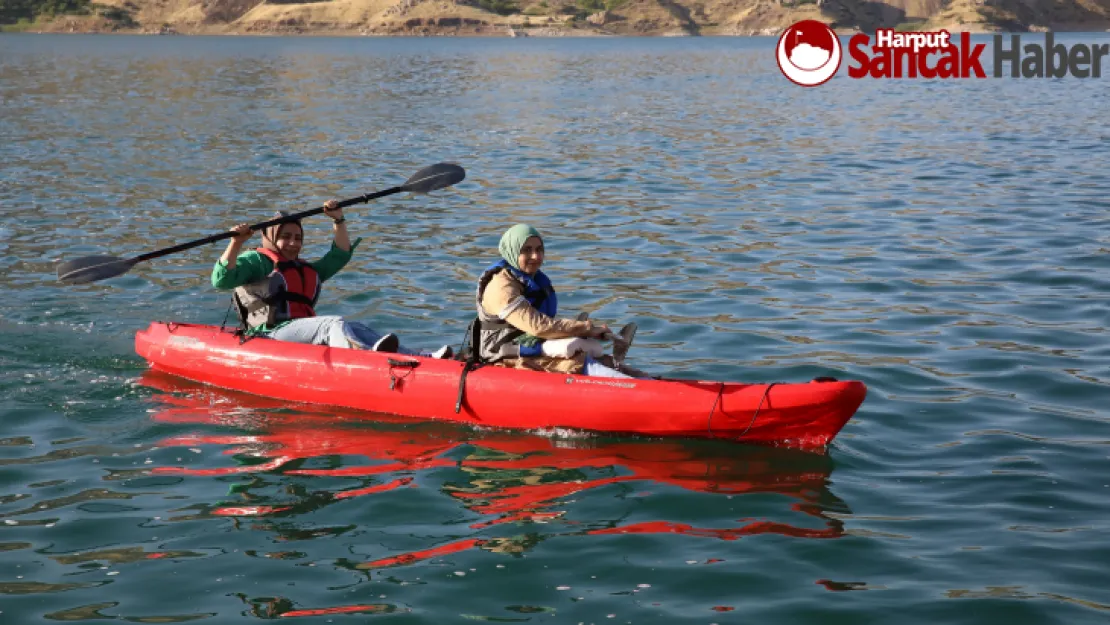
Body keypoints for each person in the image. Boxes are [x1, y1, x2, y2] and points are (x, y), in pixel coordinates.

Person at [211, 200, 452, 358]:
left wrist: (338, 220)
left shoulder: (306, 270)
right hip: (268, 336)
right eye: (286, 237)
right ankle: (366, 361)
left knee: (356, 327)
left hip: (300, 335)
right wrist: (236, 242)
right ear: (271, 237)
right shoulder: (256, 261)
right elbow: (220, 279)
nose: (294, 243)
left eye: (298, 237)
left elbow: (340, 255)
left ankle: (423, 357)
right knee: (333, 324)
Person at [474, 223, 643, 378]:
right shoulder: (501, 287)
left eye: (539, 249)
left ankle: (649, 382)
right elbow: (537, 326)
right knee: (577, 363)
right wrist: (585, 329)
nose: (535, 256)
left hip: (532, 346)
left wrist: (584, 332)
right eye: (526, 250)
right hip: (501, 354)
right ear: (512, 251)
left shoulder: (534, 279)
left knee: (599, 358)